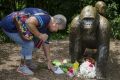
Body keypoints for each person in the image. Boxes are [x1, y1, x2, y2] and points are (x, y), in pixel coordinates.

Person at [0, 8, 67, 75]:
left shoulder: (48, 27)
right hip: (9, 26)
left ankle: (27, 61)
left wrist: (49, 61)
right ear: (55, 24)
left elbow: (45, 43)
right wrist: (39, 35)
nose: (56, 31)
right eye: (58, 29)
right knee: (29, 44)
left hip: (18, 25)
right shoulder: (45, 19)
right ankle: (22, 67)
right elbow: (29, 22)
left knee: (38, 42)